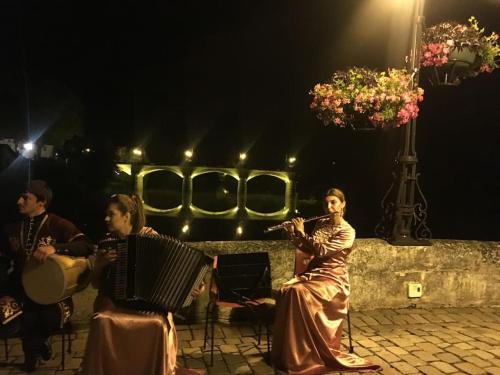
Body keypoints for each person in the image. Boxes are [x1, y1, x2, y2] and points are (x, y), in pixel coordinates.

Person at [81, 193, 204, 375]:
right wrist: (99, 266)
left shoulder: (152, 238)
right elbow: (97, 285)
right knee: (101, 320)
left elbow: (174, 270)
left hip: (148, 303)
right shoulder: (107, 243)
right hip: (114, 301)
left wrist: (192, 288)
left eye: (111, 214)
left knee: (157, 324)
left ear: (126, 216)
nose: (106, 218)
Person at [271, 188, 380, 374]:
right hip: (314, 274)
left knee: (297, 292)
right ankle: (292, 353)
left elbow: (322, 251)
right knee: (287, 290)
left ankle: (307, 355)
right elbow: (307, 249)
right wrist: (293, 233)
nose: (329, 207)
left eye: (333, 202)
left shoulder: (347, 231)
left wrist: (302, 232)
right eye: (326, 203)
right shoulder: (321, 223)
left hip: (333, 280)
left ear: (343, 204)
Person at [0, 180, 93, 372]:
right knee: (7, 316)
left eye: (25, 198)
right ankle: (36, 347)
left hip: (53, 295)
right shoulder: (11, 229)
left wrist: (55, 247)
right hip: (19, 291)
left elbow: (86, 245)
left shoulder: (58, 224)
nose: (19, 201)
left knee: (42, 318)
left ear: (41, 202)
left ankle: (35, 349)